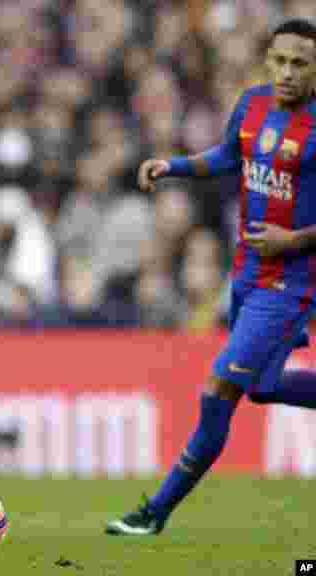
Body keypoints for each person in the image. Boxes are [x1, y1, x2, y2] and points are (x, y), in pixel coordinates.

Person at [107, 18, 316, 536]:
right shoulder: (252, 104)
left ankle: (155, 512)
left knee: (219, 387)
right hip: (245, 273)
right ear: (267, 60)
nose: (287, 72)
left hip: (290, 283)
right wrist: (172, 166)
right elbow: (228, 156)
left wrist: (293, 240)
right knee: (263, 387)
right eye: (280, 60)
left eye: (300, 63)